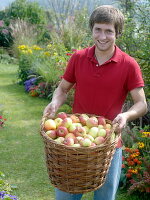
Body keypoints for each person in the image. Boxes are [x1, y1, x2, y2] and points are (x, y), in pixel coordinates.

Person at [43, 5, 147, 200]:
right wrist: (55, 103)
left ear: (118, 33)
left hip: (108, 145)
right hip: (73, 144)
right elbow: (63, 88)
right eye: (98, 29)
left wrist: (125, 115)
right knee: (66, 197)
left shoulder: (128, 64)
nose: (102, 36)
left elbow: (141, 103)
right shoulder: (79, 57)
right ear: (92, 29)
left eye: (109, 31)